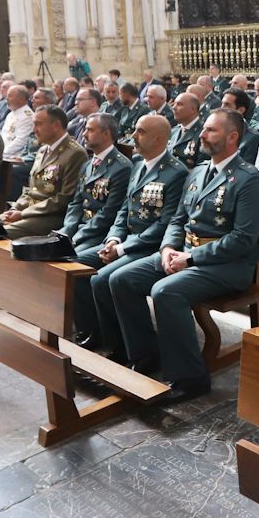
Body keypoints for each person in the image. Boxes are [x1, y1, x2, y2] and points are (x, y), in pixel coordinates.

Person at [109, 109, 259, 400]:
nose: (202, 135)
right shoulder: (197, 172)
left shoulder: (249, 181)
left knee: (166, 292)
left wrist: (190, 258)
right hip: (186, 254)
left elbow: (242, 239)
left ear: (233, 137)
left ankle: (191, 378)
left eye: (211, 131)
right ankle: (148, 353)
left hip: (228, 265)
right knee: (122, 279)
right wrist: (169, 247)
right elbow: (178, 220)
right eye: (204, 129)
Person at [74, 114, 188, 360]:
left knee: (105, 279)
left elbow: (165, 223)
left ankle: (143, 350)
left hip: (150, 247)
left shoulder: (176, 172)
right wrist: (113, 240)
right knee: (77, 267)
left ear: (159, 138)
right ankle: (108, 337)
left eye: (140, 131)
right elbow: (124, 211)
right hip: (126, 242)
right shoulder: (138, 165)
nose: (133, 136)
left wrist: (123, 248)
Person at [0, 106, 87, 237]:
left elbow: (64, 198)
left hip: (51, 217)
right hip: (29, 212)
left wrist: (23, 214)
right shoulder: (42, 150)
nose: (34, 130)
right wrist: (16, 208)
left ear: (56, 125)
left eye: (38, 124)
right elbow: (31, 190)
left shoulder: (74, 153)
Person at [54, 113, 132, 255]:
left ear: (106, 134)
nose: (84, 134)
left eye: (90, 130)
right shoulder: (87, 165)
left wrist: (77, 236)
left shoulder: (121, 167)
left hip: (98, 233)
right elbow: (76, 203)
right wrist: (67, 231)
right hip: (79, 229)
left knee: (66, 257)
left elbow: (109, 213)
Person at [222, 87, 259, 162]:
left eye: (227, 105)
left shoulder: (252, 138)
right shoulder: (218, 132)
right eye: (222, 104)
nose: (222, 108)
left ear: (240, 110)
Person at [167, 92, 206, 169]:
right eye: (174, 104)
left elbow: (201, 168)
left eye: (179, 104)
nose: (174, 107)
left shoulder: (203, 133)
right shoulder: (174, 131)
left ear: (192, 109)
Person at [0, 85, 34, 158]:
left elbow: (21, 140)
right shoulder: (10, 114)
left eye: (10, 96)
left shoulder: (27, 116)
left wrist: (2, 154)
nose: (7, 99)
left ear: (21, 99)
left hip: (14, 157)